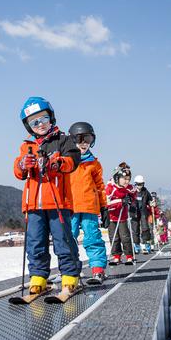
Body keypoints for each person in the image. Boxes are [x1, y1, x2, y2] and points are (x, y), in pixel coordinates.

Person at [13, 96, 82, 296]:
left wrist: (57, 163)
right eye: (34, 122)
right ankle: (38, 277)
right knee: (35, 242)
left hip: (58, 202)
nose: (40, 124)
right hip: (33, 205)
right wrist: (22, 164)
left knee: (63, 240)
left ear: (51, 117)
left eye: (43, 118)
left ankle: (69, 276)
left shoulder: (62, 139)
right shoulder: (27, 145)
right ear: (28, 126)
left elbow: (72, 159)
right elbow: (18, 171)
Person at [67, 121, 108, 285]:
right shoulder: (67, 162)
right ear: (72, 140)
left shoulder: (94, 163)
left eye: (88, 139)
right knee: (68, 239)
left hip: (89, 207)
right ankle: (70, 271)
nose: (84, 143)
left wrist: (104, 207)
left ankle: (98, 269)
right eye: (80, 139)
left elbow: (100, 187)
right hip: (69, 207)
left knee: (92, 237)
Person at [105, 163, 137, 265]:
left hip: (123, 216)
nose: (127, 181)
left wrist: (131, 199)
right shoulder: (110, 188)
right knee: (114, 237)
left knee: (125, 236)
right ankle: (116, 256)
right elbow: (107, 204)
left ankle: (129, 256)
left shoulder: (128, 187)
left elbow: (133, 193)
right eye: (124, 179)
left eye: (128, 179)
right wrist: (120, 201)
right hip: (112, 217)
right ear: (117, 177)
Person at [131, 175, 155, 254]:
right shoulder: (132, 191)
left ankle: (146, 244)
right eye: (138, 184)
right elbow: (127, 198)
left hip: (143, 212)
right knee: (135, 229)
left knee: (145, 228)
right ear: (135, 184)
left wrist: (151, 202)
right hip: (134, 212)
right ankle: (136, 245)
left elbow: (150, 200)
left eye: (141, 184)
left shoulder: (145, 191)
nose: (140, 186)